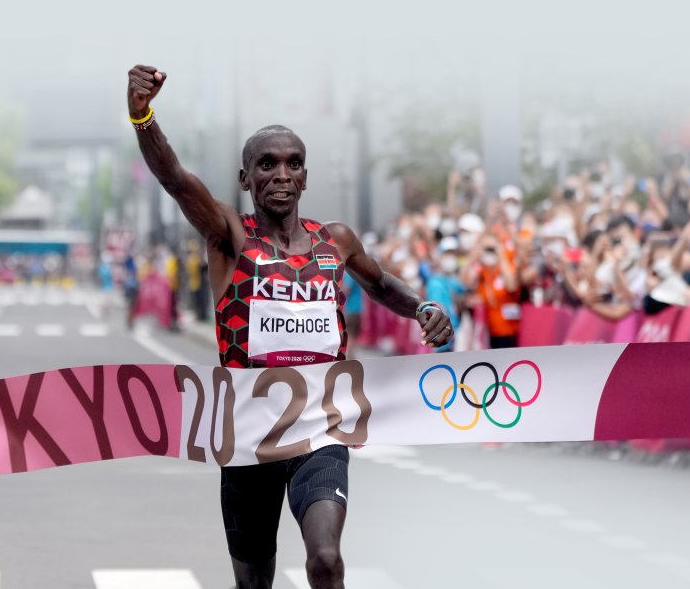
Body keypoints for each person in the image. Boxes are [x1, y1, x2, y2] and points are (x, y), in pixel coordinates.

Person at [127, 65, 452, 589]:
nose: (282, 174)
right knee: (254, 582)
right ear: (245, 178)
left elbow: (379, 284)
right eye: (268, 164)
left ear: (305, 176)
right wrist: (142, 115)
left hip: (320, 427)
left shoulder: (336, 240)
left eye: (294, 164)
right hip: (248, 435)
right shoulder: (229, 234)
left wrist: (420, 309)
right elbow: (175, 180)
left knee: (325, 559)